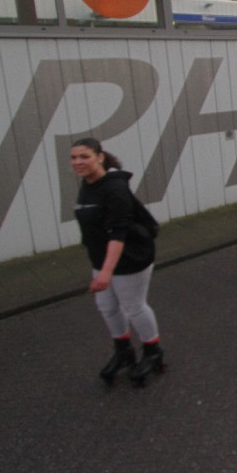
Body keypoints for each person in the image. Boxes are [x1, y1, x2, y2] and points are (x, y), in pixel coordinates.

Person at [70, 137, 165, 383]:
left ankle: (153, 352)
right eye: (74, 157)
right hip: (102, 259)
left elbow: (118, 232)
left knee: (134, 307)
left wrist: (105, 273)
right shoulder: (88, 184)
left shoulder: (115, 189)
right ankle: (124, 352)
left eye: (84, 156)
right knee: (107, 306)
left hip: (130, 258)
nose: (78, 162)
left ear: (100, 157)